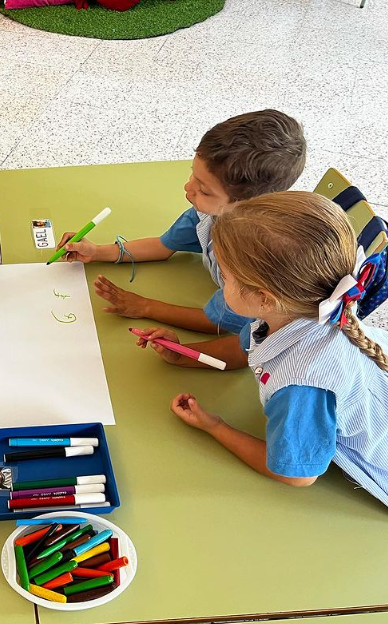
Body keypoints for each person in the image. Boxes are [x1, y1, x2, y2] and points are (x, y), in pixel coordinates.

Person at [139, 192, 388, 504]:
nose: (221, 282)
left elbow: (296, 474)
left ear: (263, 297)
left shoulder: (301, 382)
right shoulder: (301, 308)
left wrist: (216, 427)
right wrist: (186, 354)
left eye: (226, 277)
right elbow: (244, 349)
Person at [56, 110, 306, 339]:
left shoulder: (254, 263)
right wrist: (98, 251)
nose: (188, 189)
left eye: (204, 191)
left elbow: (219, 323)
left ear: (246, 204)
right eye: (192, 175)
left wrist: (145, 306)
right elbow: (163, 246)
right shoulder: (209, 215)